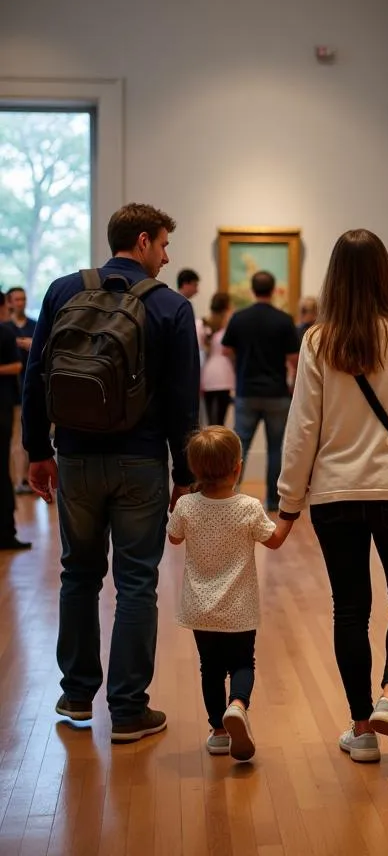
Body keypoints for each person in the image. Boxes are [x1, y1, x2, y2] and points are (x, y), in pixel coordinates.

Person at [22, 203, 200, 741]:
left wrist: (38, 449)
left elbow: (37, 374)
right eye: (164, 246)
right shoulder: (170, 306)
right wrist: (184, 474)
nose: (167, 258)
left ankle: (77, 696)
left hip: (74, 456)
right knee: (136, 583)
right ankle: (127, 710)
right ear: (142, 241)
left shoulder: (61, 291)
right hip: (140, 461)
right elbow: (180, 399)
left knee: (78, 575)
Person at [278, 229, 388, 763]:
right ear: (383, 273)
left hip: (334, 492)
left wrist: (288, 500)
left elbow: (303, 427)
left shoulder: (317, 341)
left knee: (349, 608)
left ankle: (363, 730)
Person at [167, 426, 293, 761]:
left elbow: (174, 538)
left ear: (194, 469)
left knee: (209, 668)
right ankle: (237, 704)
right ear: (237, 468)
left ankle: (218, 732)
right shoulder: (249, 507)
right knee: (242, 662)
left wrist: (179, 504)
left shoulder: (186, 507)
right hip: (239, 607)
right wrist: (290, 514)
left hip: (199, 608)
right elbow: (275, 540)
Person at [221, 272, 299, 513]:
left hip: (246, 391)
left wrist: (240, 362)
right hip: (277, 393)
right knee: (276, 447)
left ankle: (230, 495)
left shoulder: (239, 318)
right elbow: (294, 358)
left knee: (240, 445)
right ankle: (274, 502)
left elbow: (225, 350)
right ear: (274, 290)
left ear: (253, 290)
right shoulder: (284, 320)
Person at [0, 290, 29, 550]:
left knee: (14, 449)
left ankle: (6, 532)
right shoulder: (7, 330)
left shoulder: (8, 332)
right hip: (6, 404)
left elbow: (17, 366)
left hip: (8, 402)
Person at [5, 286, 36, 494]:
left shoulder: (34, 325)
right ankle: (18, 480)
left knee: (29, 435)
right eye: (16, 299)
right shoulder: (5, 328)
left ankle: (27, 478)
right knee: (15, 437)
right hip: (10, 391)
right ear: (9, 302)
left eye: (23, 299)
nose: (21, 303)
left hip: (31, 387)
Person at [201, 292, 234, 426]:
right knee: (220, 421)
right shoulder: (228, 328)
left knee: (210, 421)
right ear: (226, 307)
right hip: (224, 374)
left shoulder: (205, 325)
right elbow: (229, 351)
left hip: (208, 373)